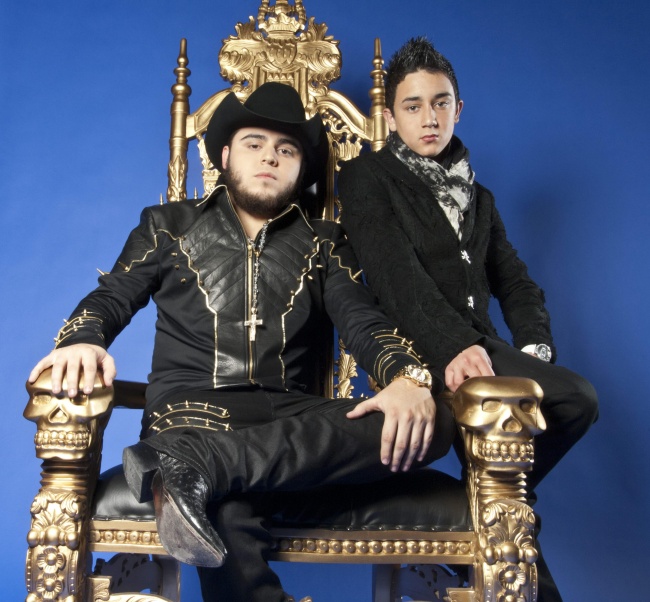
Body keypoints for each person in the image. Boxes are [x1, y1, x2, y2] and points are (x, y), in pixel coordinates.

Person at [28, 82, 455, 602]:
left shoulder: (324, 242)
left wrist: (408, 377)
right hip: (192, 412)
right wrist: (82, 339)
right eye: (255, 144)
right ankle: (197, 462)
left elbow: (362, 321)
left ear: (301, 169)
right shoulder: (167, 226)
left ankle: (196, 464)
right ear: (226, 155)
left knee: (434, 419)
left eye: (287, 150)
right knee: (223, 509)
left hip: (290, 419)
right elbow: (112, 295)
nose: (270, 158)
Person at [337, 37, 599, 601]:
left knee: (569, 404)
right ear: (391, 117)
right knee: (567, 406)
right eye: (413, 106)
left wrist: (533, 350)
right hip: (421, 350)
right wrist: (453, 345)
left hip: (485, 348)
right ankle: (495, 500)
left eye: (440, 103)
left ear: (459, 108)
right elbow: (395, 277)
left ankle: (483, 495)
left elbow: (516, 282)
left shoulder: (480, 197)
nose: (429, 118)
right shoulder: (366, 177)